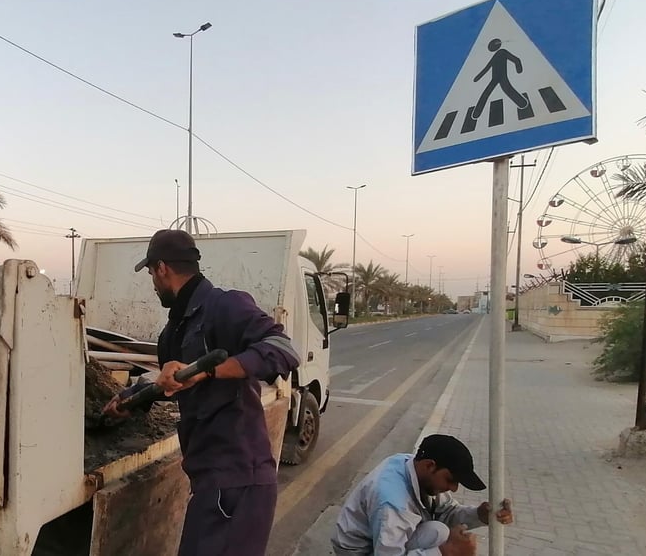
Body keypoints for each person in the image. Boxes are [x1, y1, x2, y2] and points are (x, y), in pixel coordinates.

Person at [101, 229, 300, 556]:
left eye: (151, 273)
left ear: (162, 268)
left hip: (239, 482)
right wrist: (130, 400)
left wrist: (208, 370)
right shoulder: (172, 332)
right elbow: (169, 385)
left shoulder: (225, 305)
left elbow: (282, 349)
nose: (152, 283)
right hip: (209, 481)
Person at [331, 434, 514, 556]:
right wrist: (445, 551)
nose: (454, 488)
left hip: (381, 538)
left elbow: (447, 512)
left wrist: (479, 515)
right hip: (358, 552)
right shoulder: (392, 502)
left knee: (438, 530)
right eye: (450, 480)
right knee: (439, 536)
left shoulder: (414, 467)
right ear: (429, 465)